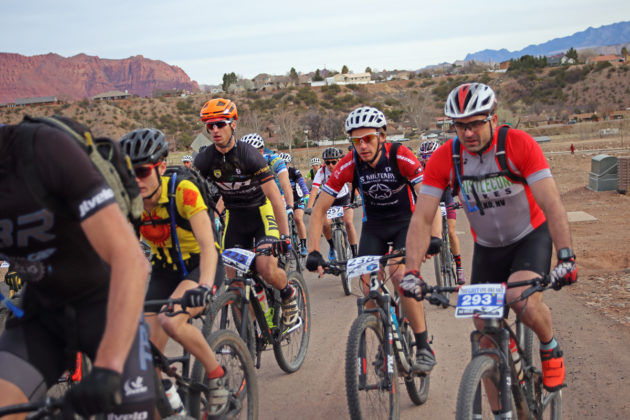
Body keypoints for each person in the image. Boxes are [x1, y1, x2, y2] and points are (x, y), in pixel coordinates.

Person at [401, 82, 577, 393]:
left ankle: (549, 346)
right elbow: (422, 217)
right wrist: (412, 272)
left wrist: (566, 256)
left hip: (528, 237)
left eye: (475, 123)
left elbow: (552, 204)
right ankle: (500, 410)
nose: (468, 132)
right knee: (484, 334)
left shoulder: (518, 145)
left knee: (521, 300)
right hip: (488, 248)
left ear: (492, 118)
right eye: (460, 125)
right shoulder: (446, 158)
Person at [0, 118, 155, 418]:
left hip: (105, 306)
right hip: (41, 314)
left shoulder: (43, 149)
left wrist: (108, 367)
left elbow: (131, 260)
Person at [306, 106, 437, 373]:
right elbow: (319, 209)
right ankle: (383, 340)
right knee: (367, 288)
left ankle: (424, 346)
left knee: (399, 274)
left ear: (382, 137)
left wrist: (433, 236)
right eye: (356, 141)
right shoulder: (349, 163)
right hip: (374, 227)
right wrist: (313, 252)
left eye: (368, 138)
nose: (362, 146)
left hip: (405, 224)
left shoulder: (400, 155)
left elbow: (428, 197)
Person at [119, 128, 229, 418]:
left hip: (199, 266)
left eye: (142, 171)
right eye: (127, 174)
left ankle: (216, 374)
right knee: (145, 358)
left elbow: (208, 246)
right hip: (164, 270)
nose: (135, 180)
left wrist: (204, 286)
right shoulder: (129, 202)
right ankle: (169, 400)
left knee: (171, 320)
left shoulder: (182, 191)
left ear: (161, 167)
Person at [194, 98, 299, 327]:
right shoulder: (205, 159)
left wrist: (285, 237)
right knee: (235, 283)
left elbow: (274, 197)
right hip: (235, 218)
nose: (215, 130)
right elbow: (191, 194)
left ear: (233, 124)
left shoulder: (249, 154)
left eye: (220, 124)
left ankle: (288, 293)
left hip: (261, 213)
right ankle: (250, 336)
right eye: (210, 125)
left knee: (265, 268)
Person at [418, 140, 467, 285]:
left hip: (447, 198)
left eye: (430, 155)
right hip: (433, 202)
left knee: (451, 232)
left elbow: (459, 184)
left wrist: (463, 200)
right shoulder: (420, 170)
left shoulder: (446, 165)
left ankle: (459, 267)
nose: (427, 159)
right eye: (424, 156)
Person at [306, 147, 359, 260]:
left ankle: (355, 254)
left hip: (344, 198)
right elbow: (314, 189)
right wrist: (310, 206)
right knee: (325, 224)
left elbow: (351, 184)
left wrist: (357, 198)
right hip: (329, 200)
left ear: (338, 160)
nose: (330, 165)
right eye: (327, 162)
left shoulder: (344, 168)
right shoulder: (321, 172)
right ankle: (332, 247)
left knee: (348, 223)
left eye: (333, 162)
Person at [238, 133, 295, 211]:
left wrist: (290, 206)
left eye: (251, 153)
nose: (247, 158)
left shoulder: (273, 160)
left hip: (277, 196)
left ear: (261, 151)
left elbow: (286, 185)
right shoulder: (240, 164)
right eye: (244, 154)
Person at [279, 152, 311, 256]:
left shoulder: (294, 171)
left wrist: (306, 193)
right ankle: (284, 247)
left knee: (298, 219)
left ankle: (303, 245)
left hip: (297, 199)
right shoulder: (276, 173)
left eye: (285, 164)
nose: (283, 166)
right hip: (284, 202)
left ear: (288, 164)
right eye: (281, 163)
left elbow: (302, 183)